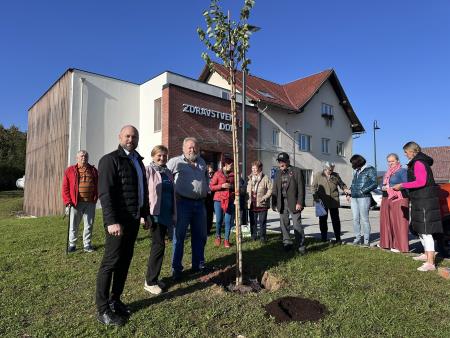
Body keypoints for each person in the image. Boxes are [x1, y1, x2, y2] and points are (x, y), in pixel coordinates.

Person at [95, 125, 150, 326]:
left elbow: (141, 191)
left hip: (133, 220)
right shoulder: (110, 160)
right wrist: (111, 221)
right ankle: (102, 310)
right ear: (119, 137)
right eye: (127, 136)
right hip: (117, 223)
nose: (130, 139)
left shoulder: (138, 161)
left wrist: (145, 215)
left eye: (134, 136)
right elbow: (105, 194)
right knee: (110, 263)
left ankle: (115, 300)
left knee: (125, 261)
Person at [393, 142, 443, 271]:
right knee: (420, 230)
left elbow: (421, 181)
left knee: (426, 231)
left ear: (412, 151)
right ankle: (426, 254)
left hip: (425, 201)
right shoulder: (416, 162)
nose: (405, 154)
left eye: (406, 151)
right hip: (419, 200)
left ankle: (430, 263)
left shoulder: (419, 163)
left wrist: (402, 185)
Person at [167, 137, 209, 281]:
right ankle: (176, 269)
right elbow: (164, 178)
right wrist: (172, 195)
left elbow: (205, 180)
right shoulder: (174, 162)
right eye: (190, 147)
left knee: (200, 236)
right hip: (182, 204)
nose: (193, 149)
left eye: (195, 147)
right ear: (184, 149)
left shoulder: (202, 162)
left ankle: (198, 265)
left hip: (200, 204)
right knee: (179, 237)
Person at [143, 145, 176, 295]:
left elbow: (172, 195)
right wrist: (144, 215)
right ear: (153, 156)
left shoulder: (168, 172)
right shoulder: (148, 170)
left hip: (166, 214)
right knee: (158, 246)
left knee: (160, 246)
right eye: (159, 155)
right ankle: (150, 282)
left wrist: (174, 213)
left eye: (164, 156)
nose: (162, 158)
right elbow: (143, 193)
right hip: (155, 214)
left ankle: (154, 279)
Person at [61, 150, 98, 253]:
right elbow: (65, 187)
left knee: (89, 224)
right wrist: (68, 201)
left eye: (86, 156)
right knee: (74, 224)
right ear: (77, 158)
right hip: (75, 202)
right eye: (81, 156)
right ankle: (72, 244)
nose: (84, 158)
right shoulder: (70, 170)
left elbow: (98, 184)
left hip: (90, 202)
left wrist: (96, 196)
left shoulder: (93, 170)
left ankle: (87, 244)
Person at [271, 152, 306, 254]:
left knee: (297, 225)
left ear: (288, 161)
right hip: (282, 202)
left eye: (283, 162)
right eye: (279, 162)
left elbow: (301, 188)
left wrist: (300, 202)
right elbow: (274, 189)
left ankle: (301, 246)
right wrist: (273, 203)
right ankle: (287, 243)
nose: (281, 164)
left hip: (294, 202)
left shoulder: (296, 171)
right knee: (284, 225)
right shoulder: (277, 173)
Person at [312, 161, 349, 244]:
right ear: (325, 168)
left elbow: (342, 184)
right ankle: (324, 238)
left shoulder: (336, 175)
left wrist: (345, 189)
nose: (331, 171)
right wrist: (316, 198)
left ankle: (338, 239)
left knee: (335, 220)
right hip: (322, 201)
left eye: (332, 170)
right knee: (323, 221)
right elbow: (313, 187)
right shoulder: (318, 175)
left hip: (334, 201)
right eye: (329, 170)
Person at [379, 153, 409, 253]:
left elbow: (406, 184)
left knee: (399, 222)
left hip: (399, 198)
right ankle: (386, 243)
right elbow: (382, 184)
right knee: (387, 222)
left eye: (392, 161)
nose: (390, 163)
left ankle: (400, 246)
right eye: (389, 161)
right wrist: (382, 187)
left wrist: (396, 187)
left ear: (398, 161)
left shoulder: (402, 171)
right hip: (386, 197)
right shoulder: (387, 172)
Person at [349, 154, 377, 246]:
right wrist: (349, 192)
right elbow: (353, 183)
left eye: (352, 163)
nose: (352, 165)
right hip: (354, 197)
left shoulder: (370, 169)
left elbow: (374, 183)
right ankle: (357, 238)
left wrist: (362, 191)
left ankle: (366, 240)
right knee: (355, 219)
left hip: (364, 197)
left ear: (357, 162)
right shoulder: (356, 171)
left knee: (364, 219)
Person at [209, 158, 235, 248]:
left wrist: (232, 186)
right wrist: (221, 186)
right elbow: (211, 187)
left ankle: (227, 240)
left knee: (228, 221)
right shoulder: (217, 174)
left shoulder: (233, 175)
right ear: (225, 165)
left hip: (229, 200)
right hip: (218, 200)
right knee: (219, 220)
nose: (232, 167)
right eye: (230, 165)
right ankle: (218, 236)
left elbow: (236, 187)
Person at [247, 160, 272, 243]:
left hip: (262, 204)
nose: (253, 170)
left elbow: (270, 189)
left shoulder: (265, 178)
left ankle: (262, 237)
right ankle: (253, 236)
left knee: (262, 222)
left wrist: (265, 197)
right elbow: (248, 189)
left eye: (255, 168)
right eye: (252, 168)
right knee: (252, 221)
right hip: (252, 204)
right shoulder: (250, 178)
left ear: (260, 168)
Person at [205, 163, 215, 235]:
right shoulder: (204, 178)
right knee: (204, 214)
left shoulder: (214, 179)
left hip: (211, 197)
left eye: (212, 172)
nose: (210, 174)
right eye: (209, 172)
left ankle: (208, 229)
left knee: (210, 214)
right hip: (205, 197)